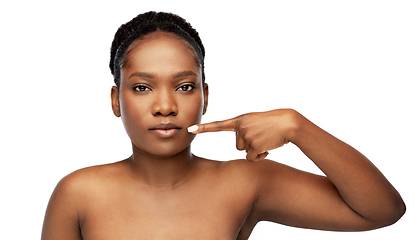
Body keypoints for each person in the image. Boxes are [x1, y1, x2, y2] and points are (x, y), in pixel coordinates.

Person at [41, 11, 405, 240]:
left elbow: (382, 211)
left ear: (205, 96)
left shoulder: (246, 182)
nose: (166, 106)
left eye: (185, 86)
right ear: (116, 100)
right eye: (141, 87)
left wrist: (297, 127)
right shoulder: (78, 193)